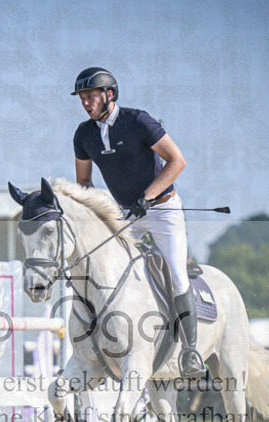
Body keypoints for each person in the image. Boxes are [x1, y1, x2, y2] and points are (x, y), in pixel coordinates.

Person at [71, 67, 203, 377]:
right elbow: (83, 183)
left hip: (163, 210)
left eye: (91, 96)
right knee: (101, 264)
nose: (86, 103)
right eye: (82, 98)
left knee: (176, 272)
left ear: (109, 95)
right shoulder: (83, 134)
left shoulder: (138, 121)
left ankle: (191, 351)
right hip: (125, 213)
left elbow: (177, 161)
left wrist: (149, 195)